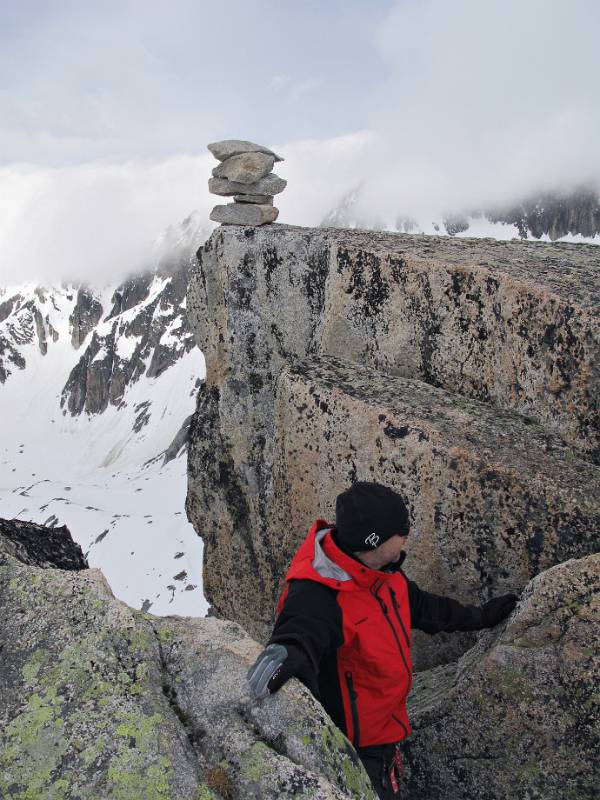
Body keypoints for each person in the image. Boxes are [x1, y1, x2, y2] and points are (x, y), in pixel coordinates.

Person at [247, 482, 518, 799]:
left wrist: (482, 617)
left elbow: (426, 608)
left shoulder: (384, 574)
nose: (408, 534)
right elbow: (300, 629)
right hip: (358, 752)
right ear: (373, 540)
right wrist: (287, 650)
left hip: (389, 730)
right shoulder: (320, 594)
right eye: (401, 530)